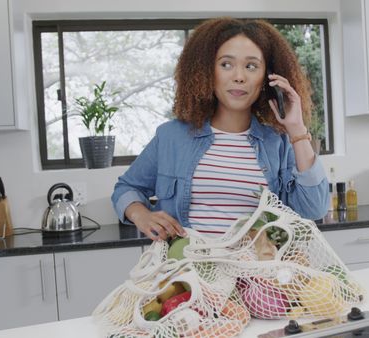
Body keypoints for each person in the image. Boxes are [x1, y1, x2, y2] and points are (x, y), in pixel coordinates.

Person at [111, 17, 329, 241]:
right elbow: (126, 188)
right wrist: (141, 214)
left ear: (266, 77)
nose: (239, 77)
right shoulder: (170, 136)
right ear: (207, 71)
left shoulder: (278, 143)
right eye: (226, 64)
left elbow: (315, 209)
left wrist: (296, 128)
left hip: (257, 273)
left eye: (251, 66)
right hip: (188, 271)